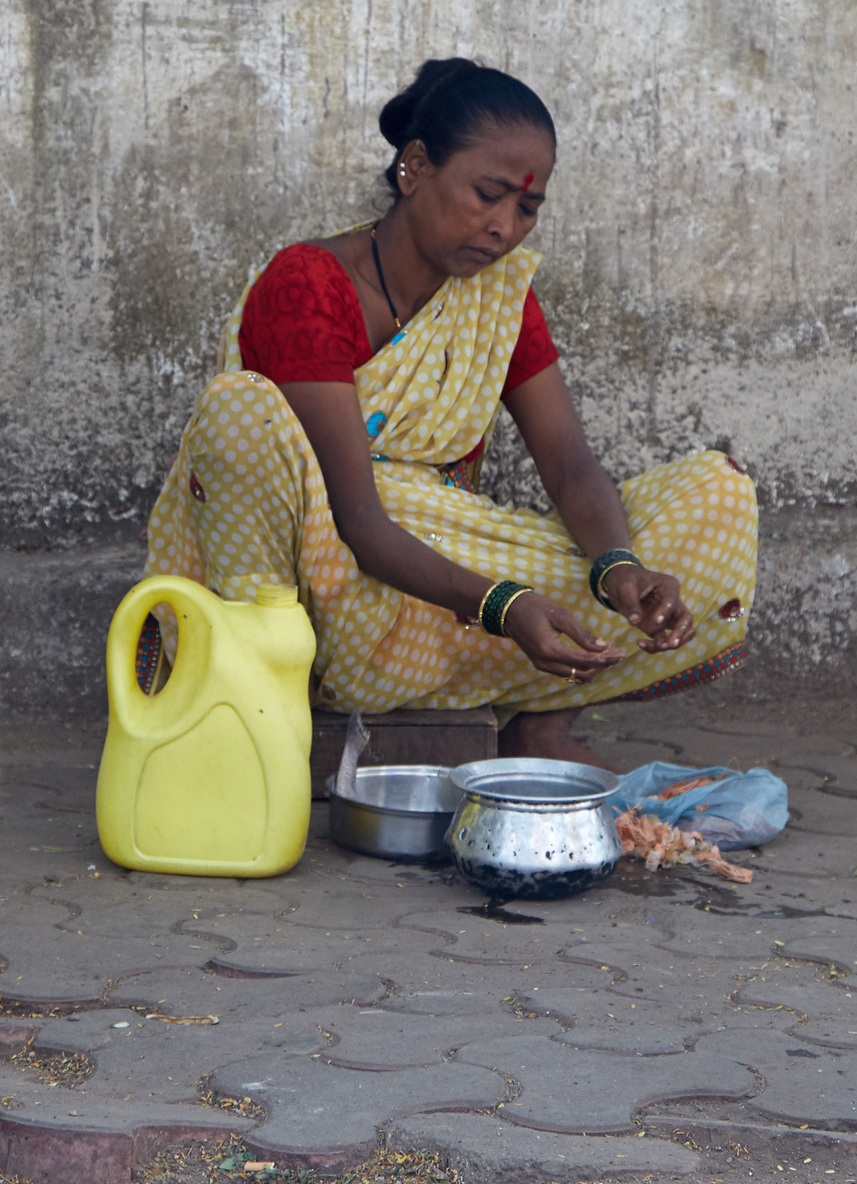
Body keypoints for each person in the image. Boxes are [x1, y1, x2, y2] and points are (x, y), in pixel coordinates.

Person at [139, 58, 758, 765]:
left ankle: (540, 723)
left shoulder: (497, 294)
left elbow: (567, 460)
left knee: (717, 496)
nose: (503, 228)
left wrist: (621, 571)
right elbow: (360, 522)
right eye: (487, 194)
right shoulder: (308, 284)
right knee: (238, 411)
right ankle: (258, 700)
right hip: (319, 583)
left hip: (432, 595)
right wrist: (503, 604)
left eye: (526, 209)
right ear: (414, 168)